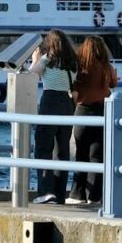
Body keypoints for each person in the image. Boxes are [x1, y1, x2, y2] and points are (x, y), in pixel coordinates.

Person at [27, 30, 78, 205]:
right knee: (61, 151)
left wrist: (35, 59)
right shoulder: (73, 62)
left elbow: (32, 73)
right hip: (67, 103)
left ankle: (46, 191)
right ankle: (59, 194)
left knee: (43, 148)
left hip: (50, 101)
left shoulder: (48, 58)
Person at [68, 36, 118, 205]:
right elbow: (113, 84)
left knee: (81, 153)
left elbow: (73, 88)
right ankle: (95, 196)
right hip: (101, 112)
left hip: (82, 111)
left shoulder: (80, 67)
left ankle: (77, 194)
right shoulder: (106, 67)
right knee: (97, 155)